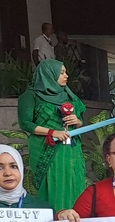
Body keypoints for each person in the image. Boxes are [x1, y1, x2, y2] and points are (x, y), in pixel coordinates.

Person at [17, 60, 86, 211]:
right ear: (48, 74)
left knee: (74, 181)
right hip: (46, 147)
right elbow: (26, 123)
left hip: (70, 150)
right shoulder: (30, 96)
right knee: (52, 184)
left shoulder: (69, 95)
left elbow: (80, 121)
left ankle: (78, 221)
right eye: (61, 73)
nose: (66, 76)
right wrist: (52, 132)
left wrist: (77, 121)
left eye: (65, 72)